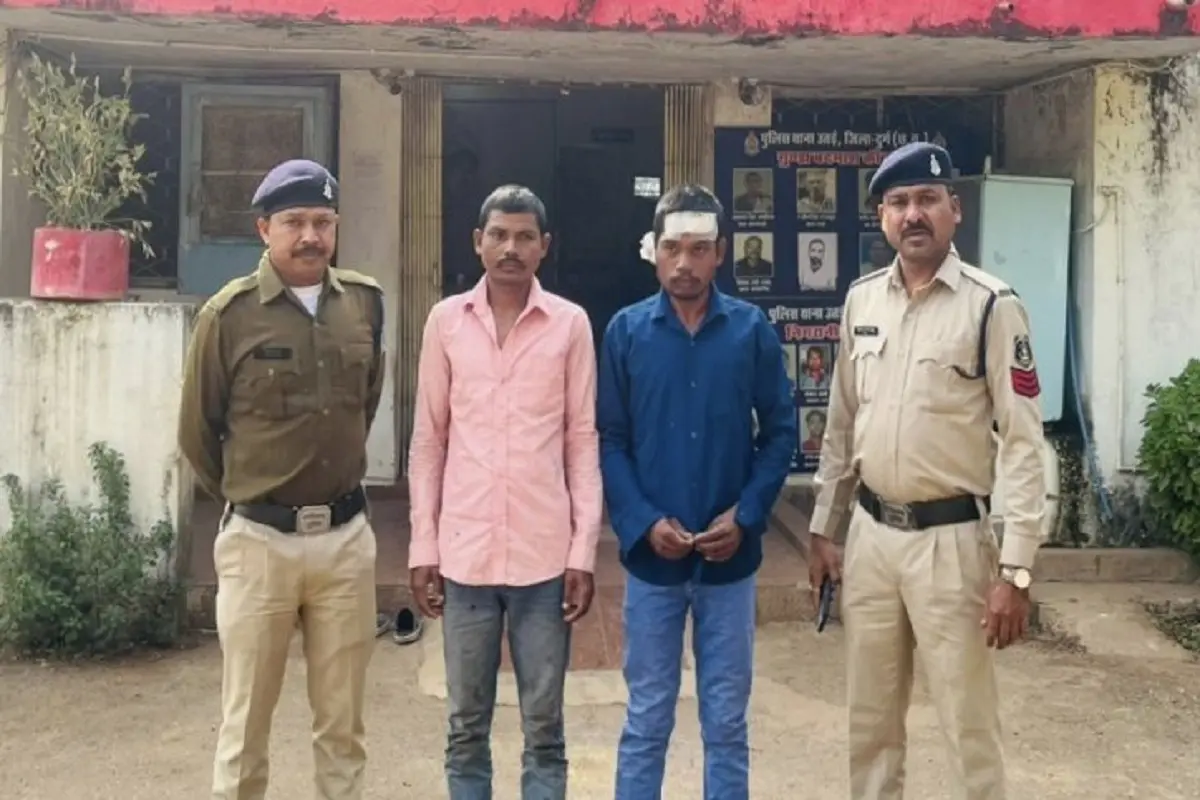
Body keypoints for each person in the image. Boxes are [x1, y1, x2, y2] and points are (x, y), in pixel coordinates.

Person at [807, 141, 1047, 800]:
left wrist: (1016, 570)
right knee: (870, 725)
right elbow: (842, 425)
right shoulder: (862, 302)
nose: (913, 214)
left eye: (927, 200)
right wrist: (825, 527)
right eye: (899, 202)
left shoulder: (992, 306)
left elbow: (1023, 443)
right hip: (872, 540)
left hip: (952, 545)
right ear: (883, 216)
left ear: (954, 210)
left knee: (968, 727)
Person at [178, 158, 386, 800]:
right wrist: (254, 496)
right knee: (245, 729)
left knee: (343, 730)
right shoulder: (229, 315)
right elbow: (197, 431)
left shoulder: (364, 305)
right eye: (294, 222)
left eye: (323, 222)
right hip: (259, 545)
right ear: (264, 229)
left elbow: (365, 404)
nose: (310, 237)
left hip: (345, 543)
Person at [598, 184, 797, 800]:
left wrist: (748, 514)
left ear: (721, 254)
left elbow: (781, 433)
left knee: (727, 724)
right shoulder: (626, 333)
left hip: (728, 565)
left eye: (699, 249)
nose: (684, 263)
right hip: (652, 564)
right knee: (646, 720)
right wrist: (642, 520)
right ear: (653, 252)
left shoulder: (750, 332)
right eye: (672, 248)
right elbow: (610, 440)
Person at [407, 184, 603, 800]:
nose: (510, 248)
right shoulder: (445, 323)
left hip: (544, 560)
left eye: (524, 237)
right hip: (464, 556)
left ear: (545, 247)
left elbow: (581, 441)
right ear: (478, 242)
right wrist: (423, 545)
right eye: (498, 235)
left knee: (544, 728)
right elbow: (429, 441)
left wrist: (582, 552)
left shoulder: (569, 325)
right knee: (466, 727)